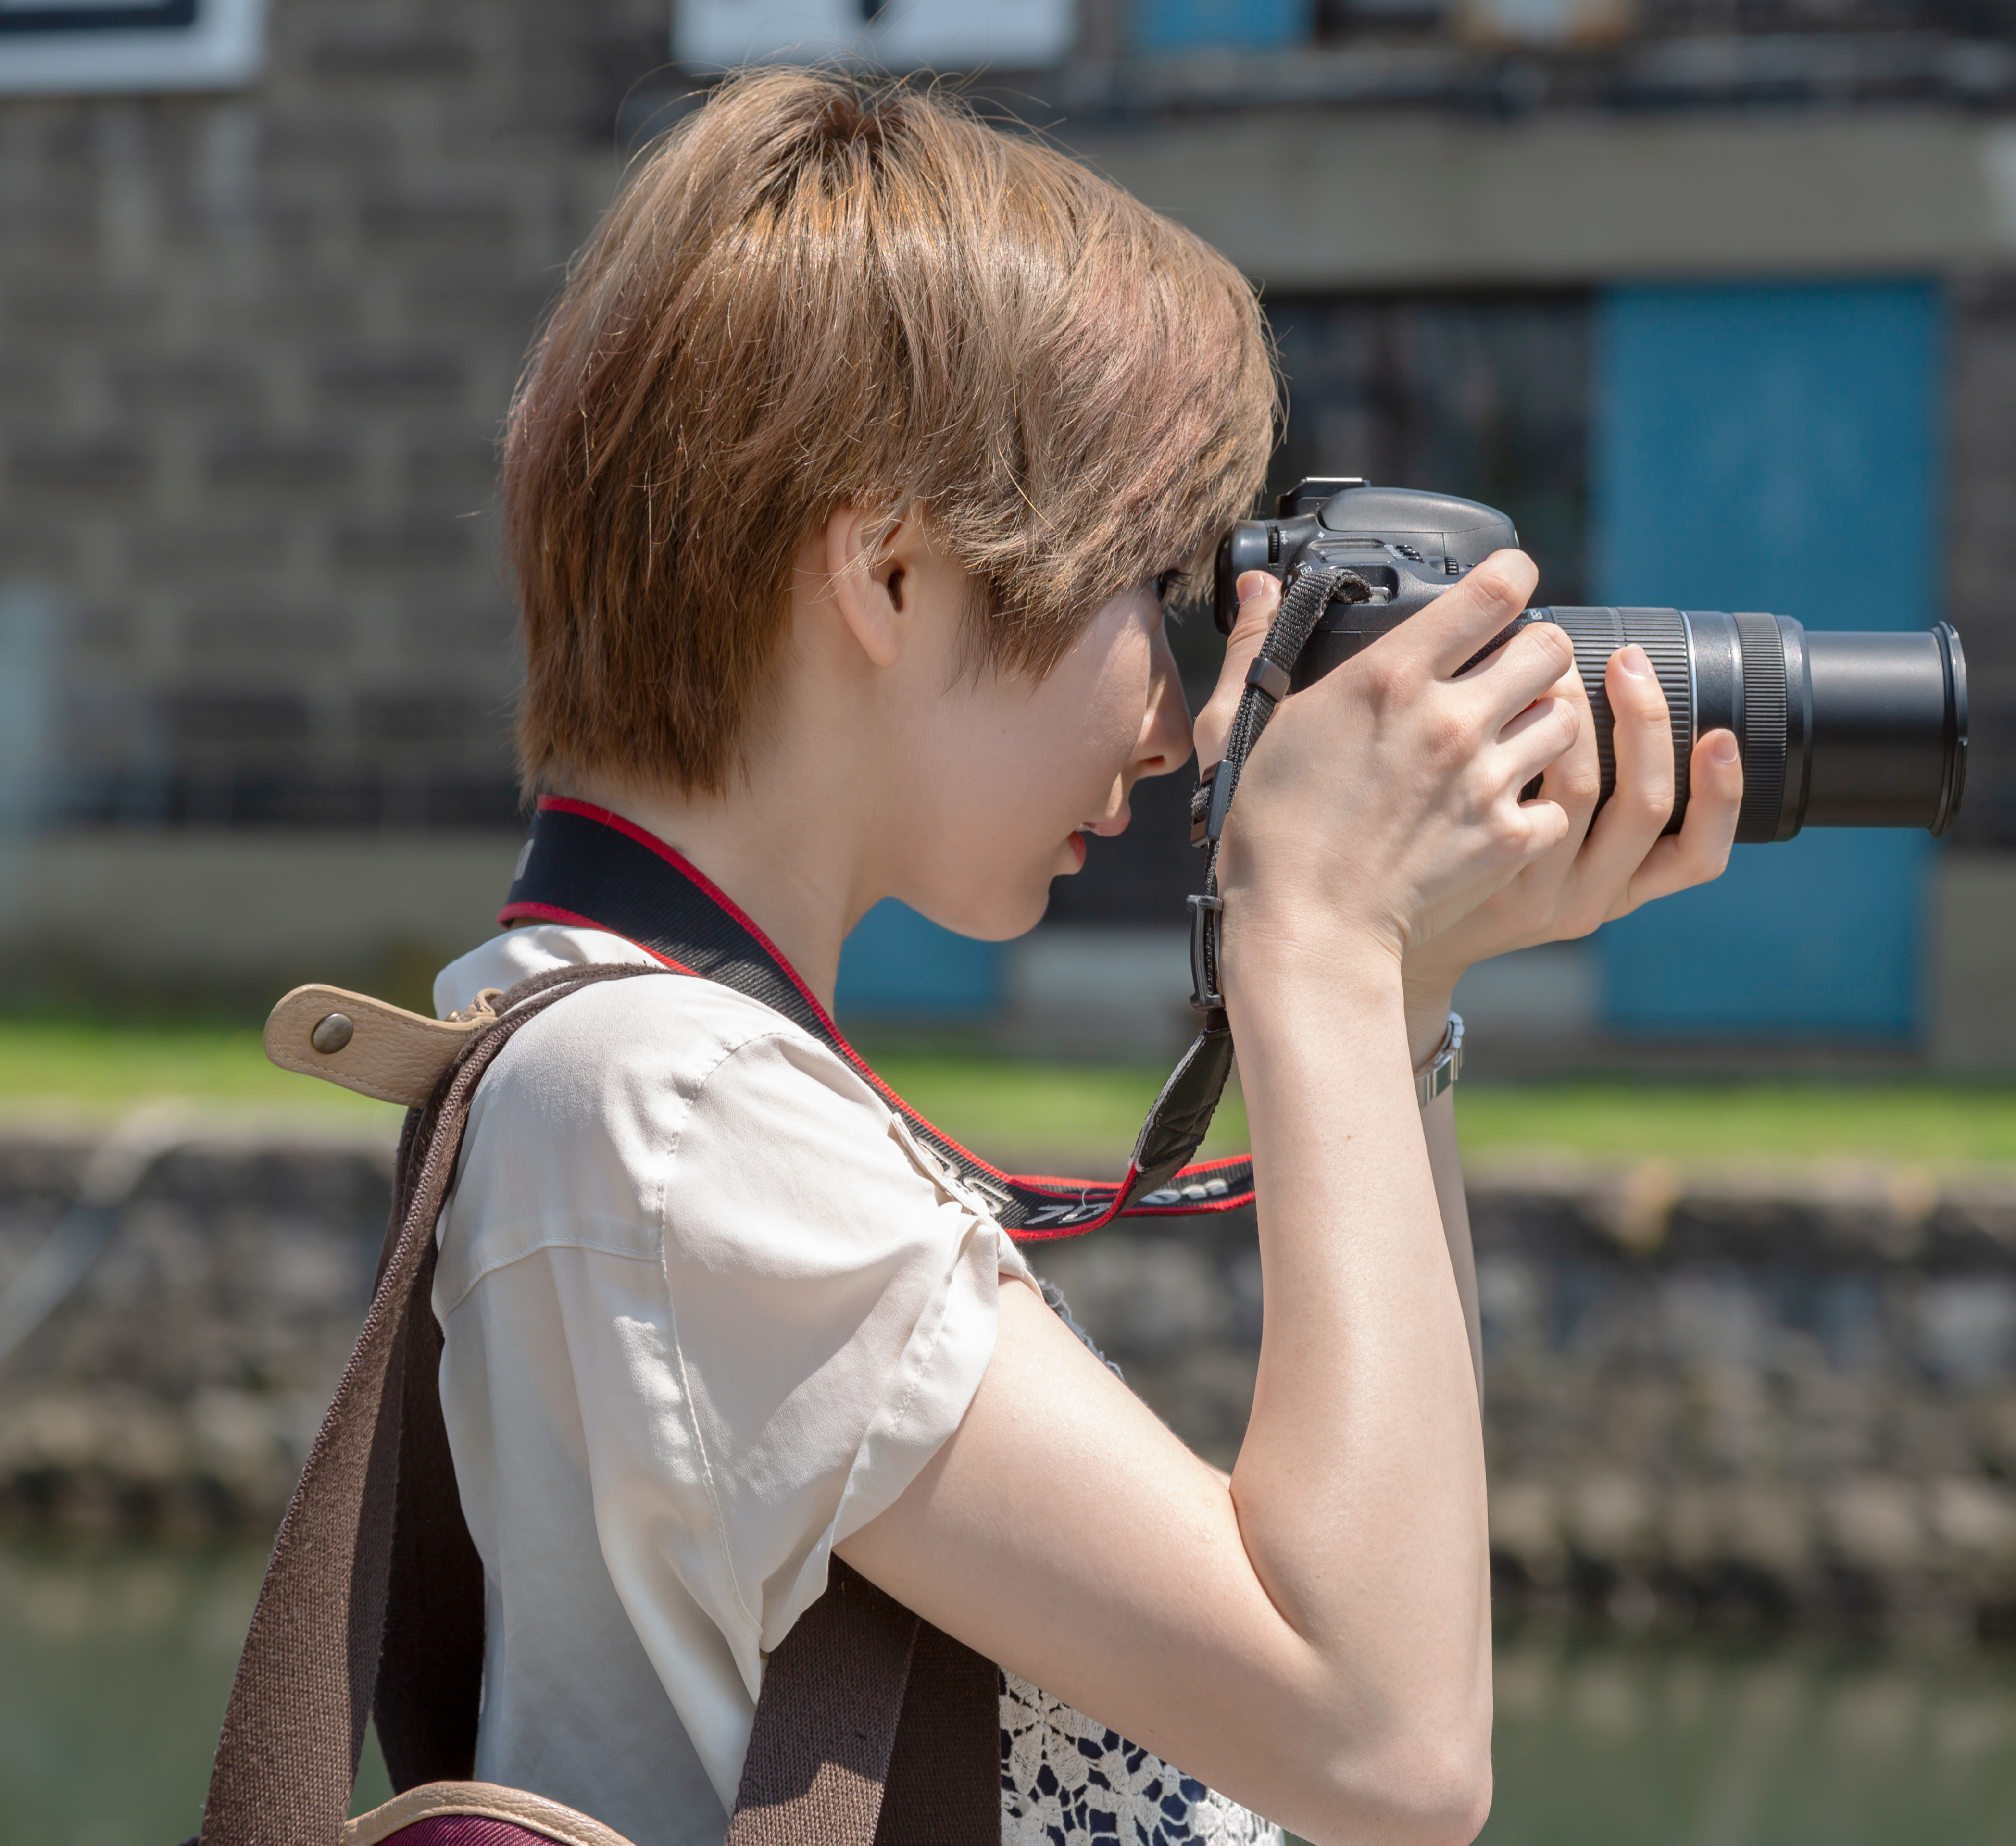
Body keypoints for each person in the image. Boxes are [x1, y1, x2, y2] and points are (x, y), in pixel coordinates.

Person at [429, 66, 1743, 1846]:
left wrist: (1400, 993)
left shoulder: (598, 1055)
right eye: (1147, 589)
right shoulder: (665, 1106)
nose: (1175, 714)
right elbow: (1388, 1753)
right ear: (889, 573)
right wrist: (1322, 949)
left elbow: (1377, 1605)